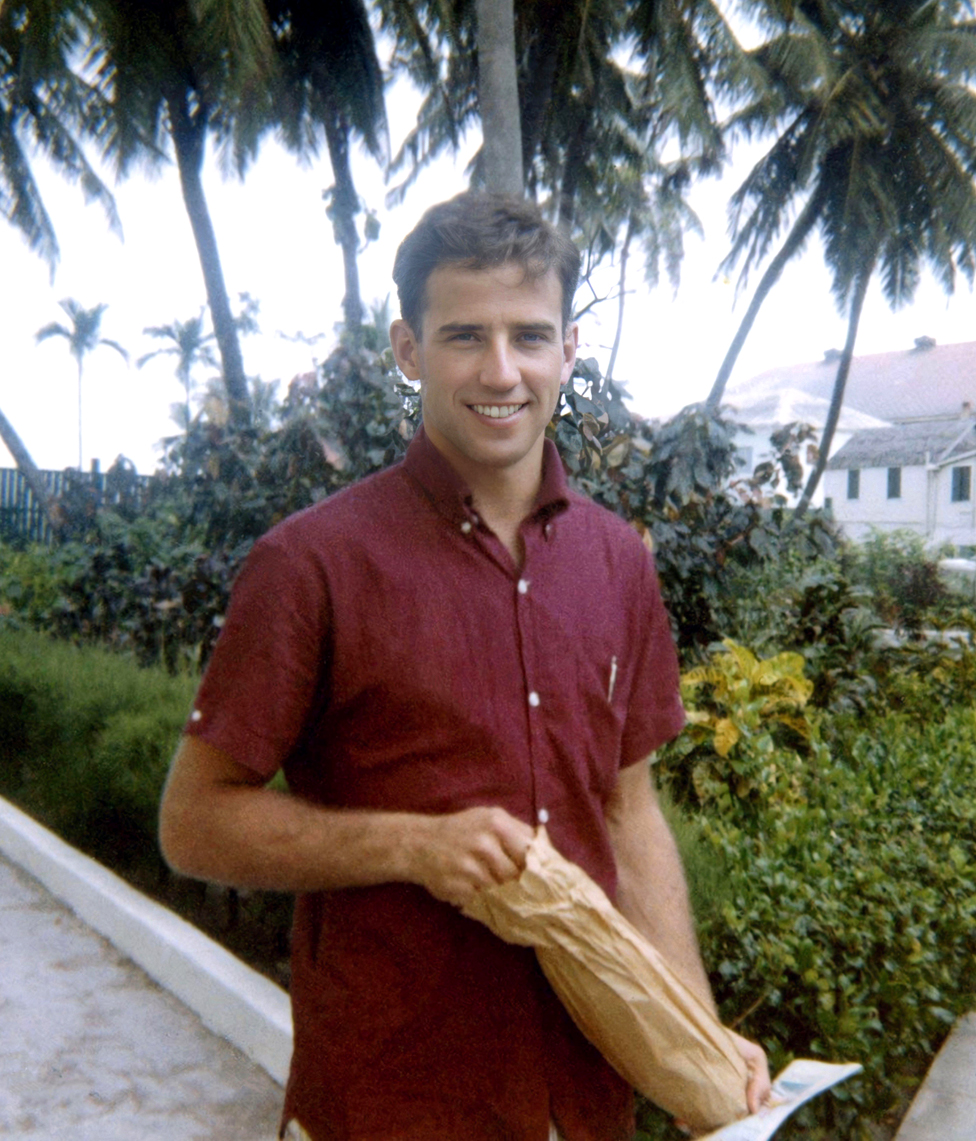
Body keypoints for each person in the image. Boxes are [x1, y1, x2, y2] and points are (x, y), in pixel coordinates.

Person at [159, 192, 770, 1141]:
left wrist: (693, 1029)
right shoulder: (311, 562)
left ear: (568, 349)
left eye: (530, 336)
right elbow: (194, 823)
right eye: (463, 336)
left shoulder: (619, 562)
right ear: (410, 351)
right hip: (392, 1097)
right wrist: (414, 846)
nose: (501, 370)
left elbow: (628, 810)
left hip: (582, 1094)